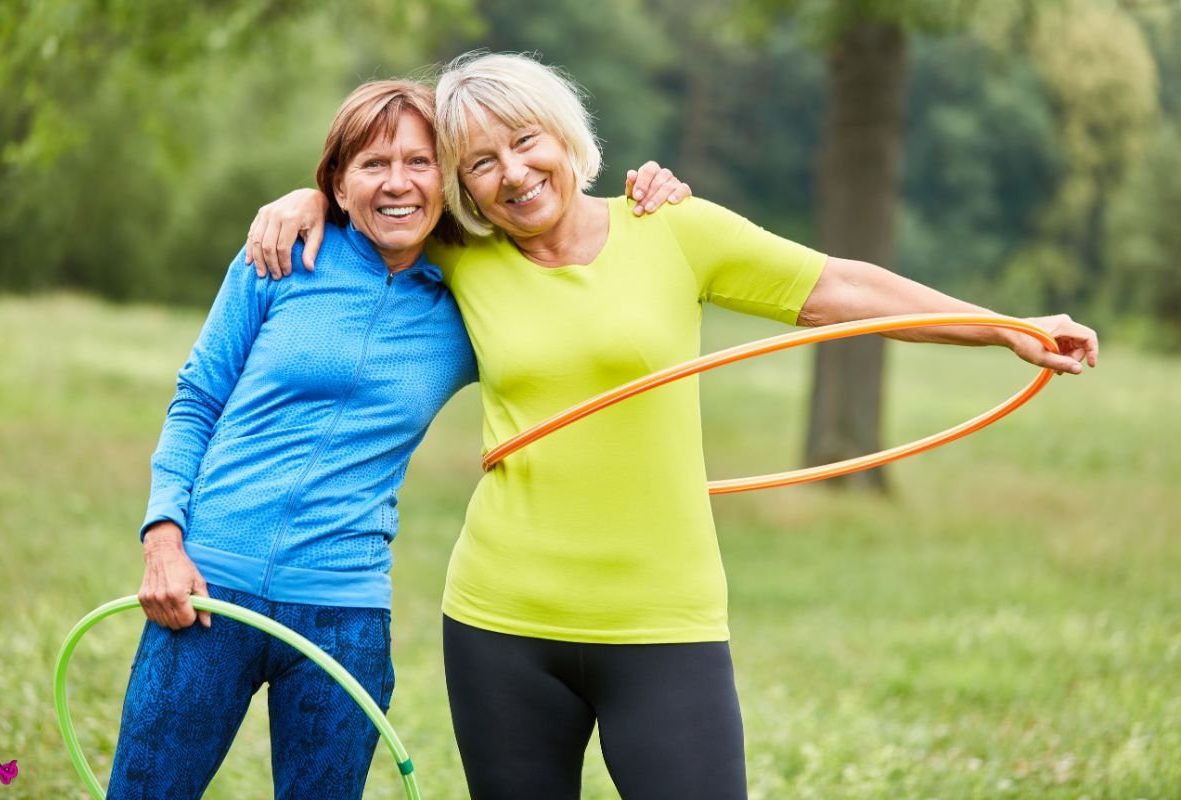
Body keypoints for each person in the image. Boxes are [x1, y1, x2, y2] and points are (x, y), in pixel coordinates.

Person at [247, 52, 1099, 800]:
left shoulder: (672, 228)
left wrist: (1009, 327)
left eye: (526, 142)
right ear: (462, 187)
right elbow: (382, 195)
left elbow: (843, 290)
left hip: (664, 620)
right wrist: (303, 199)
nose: (511, 173)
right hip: (501, 621)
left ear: (566, 135)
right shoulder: (462, 256)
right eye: (480, 163)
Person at [109, 74, 689, 800]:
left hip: (344, 609)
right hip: (206, 588)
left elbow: (585, 296)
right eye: (373, 165)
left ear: (446, 182)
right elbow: (197, 399)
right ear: (339, 184)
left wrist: (650, 206)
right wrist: (163, 537)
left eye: (419, 163)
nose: (398, 183)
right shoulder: (281, 256)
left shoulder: (473, 294)